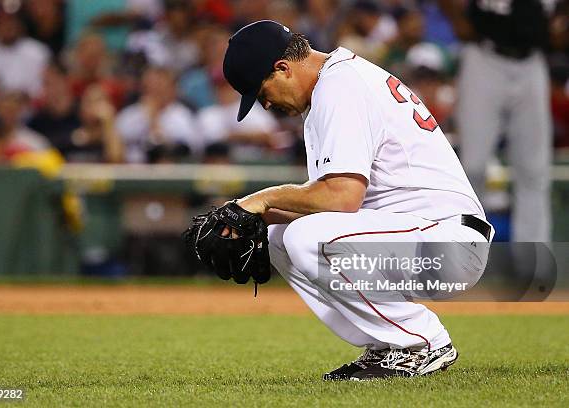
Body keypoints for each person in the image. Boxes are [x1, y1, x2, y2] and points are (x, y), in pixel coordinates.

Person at [222, 20, 493, 380]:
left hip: (447, 241)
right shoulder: (331, 88)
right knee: (278, 238)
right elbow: (333, 201)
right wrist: (252, 217)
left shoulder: (340, 87)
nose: (266, 105)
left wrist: (263, 199)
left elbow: (342, 198)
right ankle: (388, 347)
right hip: (416, 235)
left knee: (306, 237)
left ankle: (422, 342)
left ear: (283, 68)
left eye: (262, 92)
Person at [439, 0, 554, 242]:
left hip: (532, 60)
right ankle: (463, 253)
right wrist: (458, 19)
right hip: (485, 56)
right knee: (473, 165)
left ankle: (533, 264)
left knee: (534, 170)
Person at [115, 66, 198, 163]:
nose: (154, 90)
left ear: (172, 89)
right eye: (149, 86)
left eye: (159, 86)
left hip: (170, 174)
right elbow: (115, 151)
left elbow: (188, 153)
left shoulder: (182, 116)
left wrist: (153, 120)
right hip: (130, 172)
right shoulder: (129, 115)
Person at [0, 9, 50, 97]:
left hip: (31, 106)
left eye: (11, 22)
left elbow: (47, 86)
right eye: (2, 23)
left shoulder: (37, 51)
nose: (7, 27)